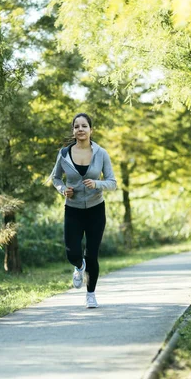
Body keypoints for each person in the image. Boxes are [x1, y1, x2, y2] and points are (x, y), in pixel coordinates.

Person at [50, 113, 117, 308]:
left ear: (90, 130)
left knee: (92, 254)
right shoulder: (63, 154)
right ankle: (79, 267)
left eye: (84, 126)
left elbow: (112, 183)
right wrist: (63, 190)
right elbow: (55, 179)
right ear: (73, 131)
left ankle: (91, 295)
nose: (80, 129)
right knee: (72, 253)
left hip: (96, 210)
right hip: (73, 210)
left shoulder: (101, 153)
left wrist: (96, 183)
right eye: (77, 126)